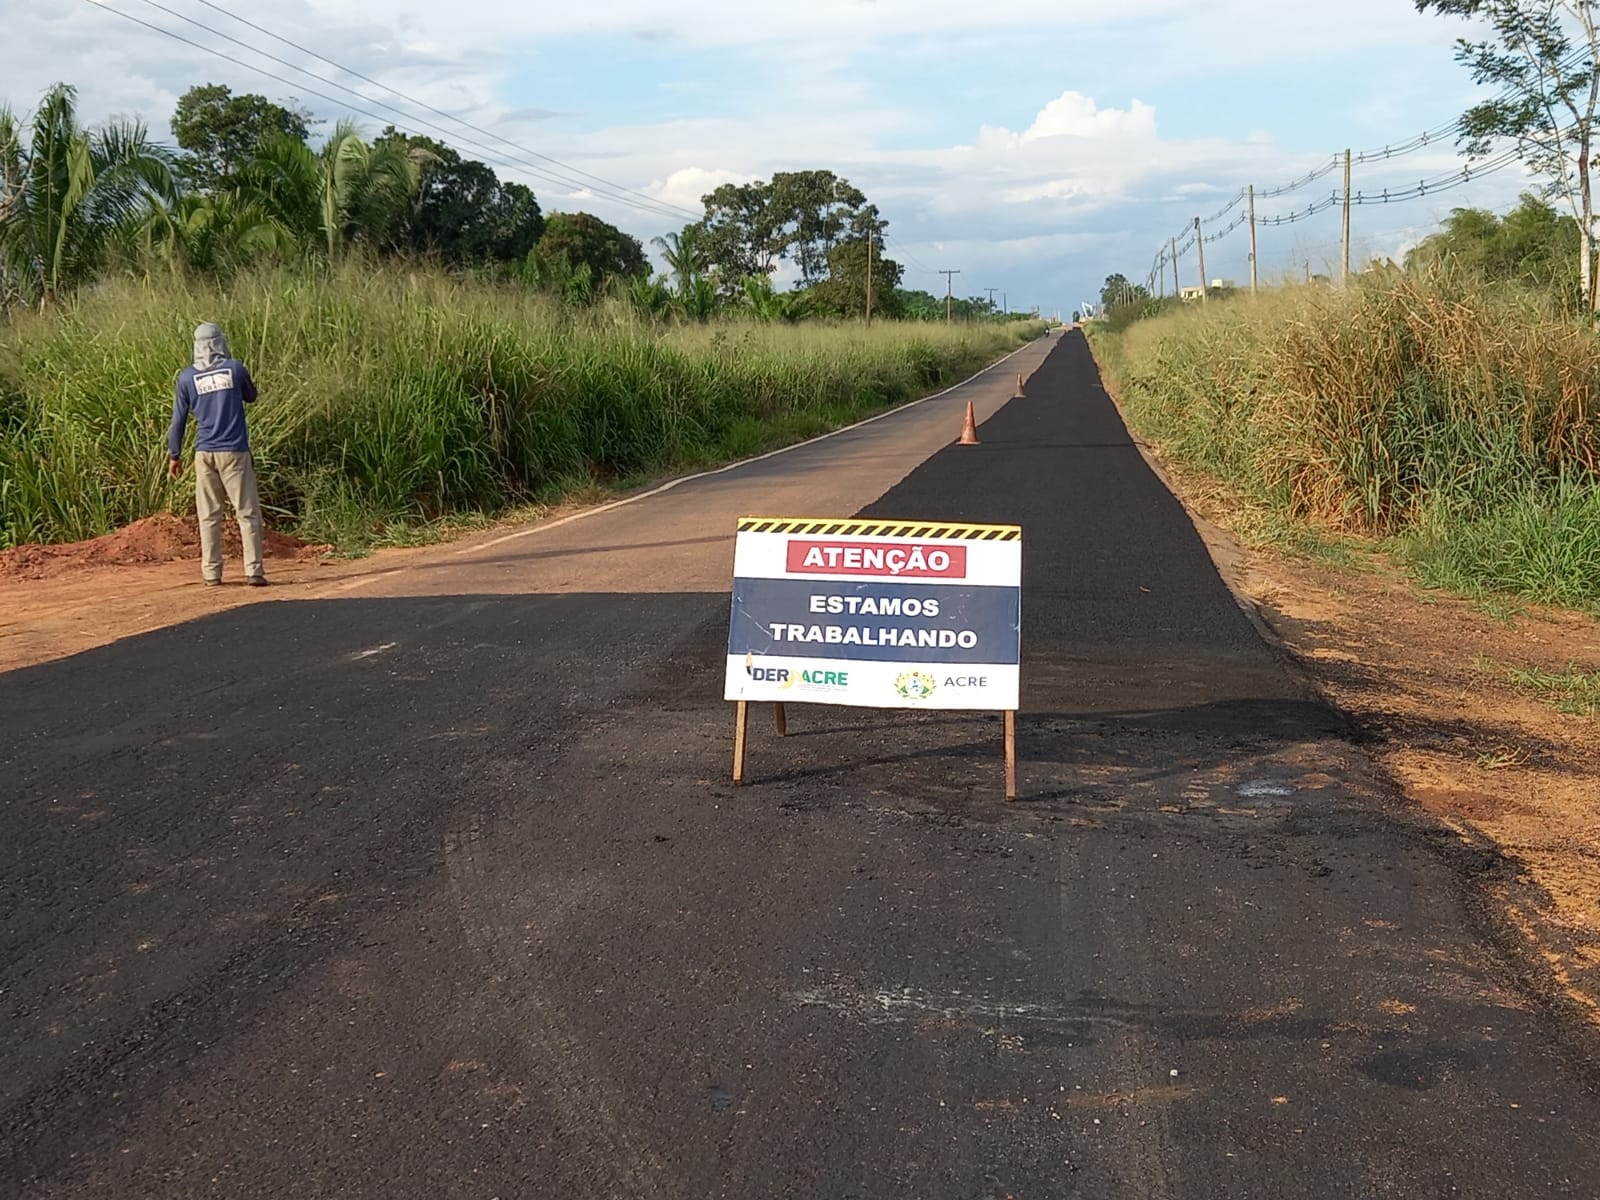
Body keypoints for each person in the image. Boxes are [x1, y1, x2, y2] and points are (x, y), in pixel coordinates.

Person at [167, 323, 267, 587]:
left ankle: (212, 574)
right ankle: (253, 571)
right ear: (220, 342)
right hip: (234, 452)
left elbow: (178, 420)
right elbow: (252, 396)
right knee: (246, 513)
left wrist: (174, 455)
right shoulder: (235, 369)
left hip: (204, 453)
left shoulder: (187, 378)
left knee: (209, 515)